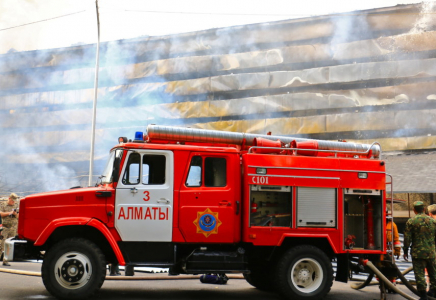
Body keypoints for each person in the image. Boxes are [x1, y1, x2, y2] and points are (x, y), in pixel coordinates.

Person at [403, 201, 436, 300]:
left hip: (418, 253)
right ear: (424, 209)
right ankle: (433, 292)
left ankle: (423, 296)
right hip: (431, 252)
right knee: (433, 273)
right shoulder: (432, 221)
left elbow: (407, 238)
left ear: (414, 210)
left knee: (420, 274)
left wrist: (405, 250)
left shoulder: (411, 221)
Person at [0, 193, 19, 266]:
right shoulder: (3, 205)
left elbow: (18, 216)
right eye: (12, 200)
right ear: (9, 198)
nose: (13, 202)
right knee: (2, 244)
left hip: (13, 228)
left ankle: (5, 261)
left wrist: (15, 214)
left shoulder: (16, 205)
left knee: (9, 245)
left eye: (14, 201)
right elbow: (1, 214)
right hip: (5, 228)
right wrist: (9, 213)